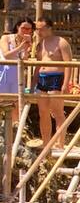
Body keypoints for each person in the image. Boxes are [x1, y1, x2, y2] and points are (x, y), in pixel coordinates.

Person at [33, 19, 72, 148]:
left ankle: (60, 143)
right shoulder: (40, 44)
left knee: (57, 111)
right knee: (43, 112)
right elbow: (38, 65)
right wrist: (34, 82)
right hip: (42, 78)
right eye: (37, 29)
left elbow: (68, 64)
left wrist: (65, 84)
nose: (38, 31)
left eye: (41, 28)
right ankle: (46, 143)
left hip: (56, 78)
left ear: (49, 28)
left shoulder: (61, 42)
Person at [0, 19, 32, 94]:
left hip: (17, 74)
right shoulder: (6, 38)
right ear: (18, 27)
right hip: (4, 71)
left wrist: (27, 49)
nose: (26, 31)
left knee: (17, 101)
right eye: (23, 28)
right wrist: (20, 47)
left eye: (29, 29)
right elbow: (6, 55)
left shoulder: (26, 42)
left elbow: (24, 59)